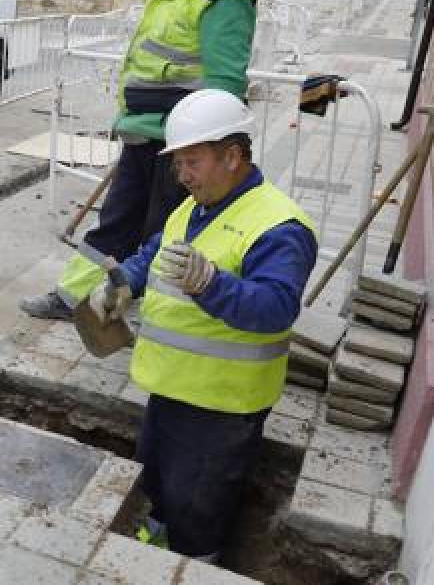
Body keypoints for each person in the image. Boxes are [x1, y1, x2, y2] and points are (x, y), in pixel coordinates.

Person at [83, 89, 318, 562]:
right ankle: (149, 560)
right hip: (171, 387)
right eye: (178, 163)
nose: (181, 175)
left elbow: (275, 306)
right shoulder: (195, 206)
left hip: (222, 406)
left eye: (191, 161)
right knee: (154, 490)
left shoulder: (279, 226)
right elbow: (157, 253)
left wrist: (211, 284)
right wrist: (124, 281)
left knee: (198, 509)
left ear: (232, 156)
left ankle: (193, 567)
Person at [20, 0, 256, 321]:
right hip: (142, 130)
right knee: (116, 221)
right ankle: (72, 297)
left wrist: (205, 151)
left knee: (165, 232)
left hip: (186, 143)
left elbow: (224, 86)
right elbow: (145, 57)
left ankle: (149, 311)